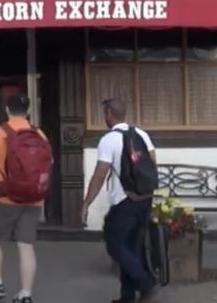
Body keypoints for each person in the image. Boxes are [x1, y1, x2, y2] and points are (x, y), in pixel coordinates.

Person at [81, 98, 159, 303]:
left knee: (115, 245)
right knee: (132, 246)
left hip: (124, 200)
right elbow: (152, 162)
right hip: (144, 198)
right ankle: (127, 297)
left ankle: (146, 283)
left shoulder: (109, 140)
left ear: (108, 113)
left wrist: (87, 203)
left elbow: (99, 175)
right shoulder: (142, 134)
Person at [0, 94, 52, 303]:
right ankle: (25, 294)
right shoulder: (39, 134)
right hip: (34, 199)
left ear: (7, 110)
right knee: (26, 246)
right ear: (28, 111)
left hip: (6, 198)